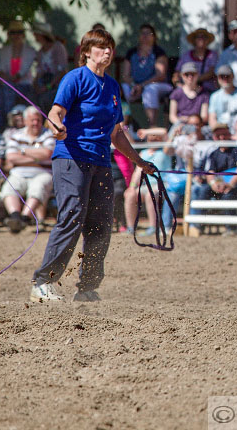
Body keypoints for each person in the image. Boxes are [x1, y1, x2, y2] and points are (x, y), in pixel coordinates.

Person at [30, 28, 156, 303]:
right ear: (86, 51)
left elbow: (117, 133)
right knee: (72, 215)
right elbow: (56, 112)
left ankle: (87, 287)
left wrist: (139, 162)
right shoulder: (74, 78)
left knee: (101, 223)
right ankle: (43, 282)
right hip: (71, 157)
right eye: (101, 47)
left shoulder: (112, 87)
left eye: (110, 47)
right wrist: (55, 125)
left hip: (100, 160)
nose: (108, 52)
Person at [0, 106, 55, 233]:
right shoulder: (16, 135)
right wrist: (36, 157)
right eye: (32, 120)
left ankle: (24, 219)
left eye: (38, 120)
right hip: (19, 173)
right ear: (25, 121)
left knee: (38, 187)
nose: (35, 123)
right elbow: (11, 157)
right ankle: (15, 217)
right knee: (10, 187)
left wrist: (23, 151)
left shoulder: (48, 135)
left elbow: (47, 153)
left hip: (42, 173)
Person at [120, 23, 173, 127]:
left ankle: (152, 125)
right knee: (123, 89)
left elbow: (160, 76)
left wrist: (142, 86)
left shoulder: (159, 52)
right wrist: (133, 85)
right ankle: (125, 125)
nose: (145, 36)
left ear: (154, 37)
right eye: (142, 33)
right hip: (136, 86)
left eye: (148, 33)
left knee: (150, 90)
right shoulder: (131, 52)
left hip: (158, 85)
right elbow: (125, 75)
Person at [0, 19, 38, 130]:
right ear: (9, 35)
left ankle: (19, 127)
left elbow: (22, 72)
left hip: (24, 85)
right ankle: (4, 128)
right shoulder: (4, 50)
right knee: (1, 94)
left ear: (23, 34)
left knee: (8, 92)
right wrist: (7, 80)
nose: (16, 35)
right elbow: (1, 70)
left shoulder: (30, 51)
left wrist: (11, 79)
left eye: (19, 32)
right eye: (13, 32)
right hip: (8, 85)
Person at [207, 64, 237, 133]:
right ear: (218, 78)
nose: (225, 79)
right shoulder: (214, 96)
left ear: (233, 76)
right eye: (222, 77)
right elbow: (212, 120)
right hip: (222, 133)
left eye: (227, 76)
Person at [31, 22, 69, 111]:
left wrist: (48, 86)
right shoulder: (40, 52)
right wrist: (36, 85)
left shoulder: (58, 47)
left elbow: (62, 71)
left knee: (46, 99)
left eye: (36, 34)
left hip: (55, 84)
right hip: (44, 82)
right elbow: (39, 72)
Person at [173, 27, 218, 92]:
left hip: (206, 90)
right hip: (186, 89)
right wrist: (178, 84)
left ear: (207, 40)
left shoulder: (212, 55)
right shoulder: (186, 55)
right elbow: (177, 73)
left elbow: (211, 72)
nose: (201, 39)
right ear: (194, 40)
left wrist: (193, 81)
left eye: (204, 37)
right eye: (198, 37)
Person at [168, 62, 210, 127]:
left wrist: (191, 120)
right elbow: (172, 116)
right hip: (179, 126)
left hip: (197, 126)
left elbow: (204, 117)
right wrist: (181, 124)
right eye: (186, 74)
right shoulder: (176, 93)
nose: (190, 77)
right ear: (181, 75)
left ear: (198, 74)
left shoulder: (204, 94)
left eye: (193, 74)